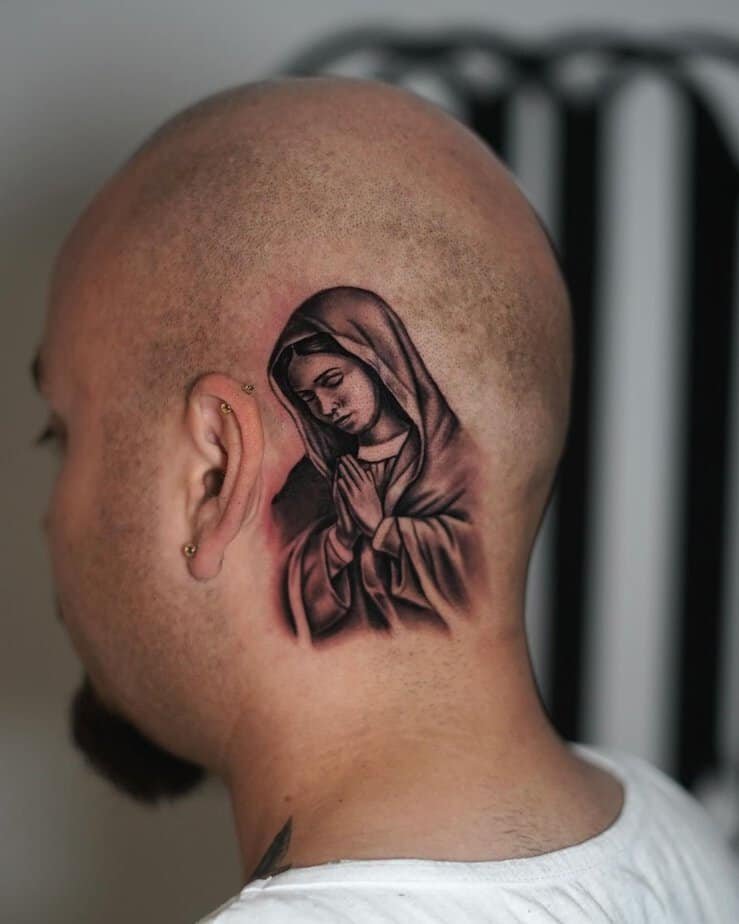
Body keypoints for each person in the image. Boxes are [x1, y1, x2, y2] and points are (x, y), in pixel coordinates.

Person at [31, 76, 738, 922]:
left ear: (212, 477)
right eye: (308, 395)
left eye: (59, 433)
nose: (47, 517)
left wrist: (378, 530)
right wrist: (348, 538)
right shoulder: (674, 835)